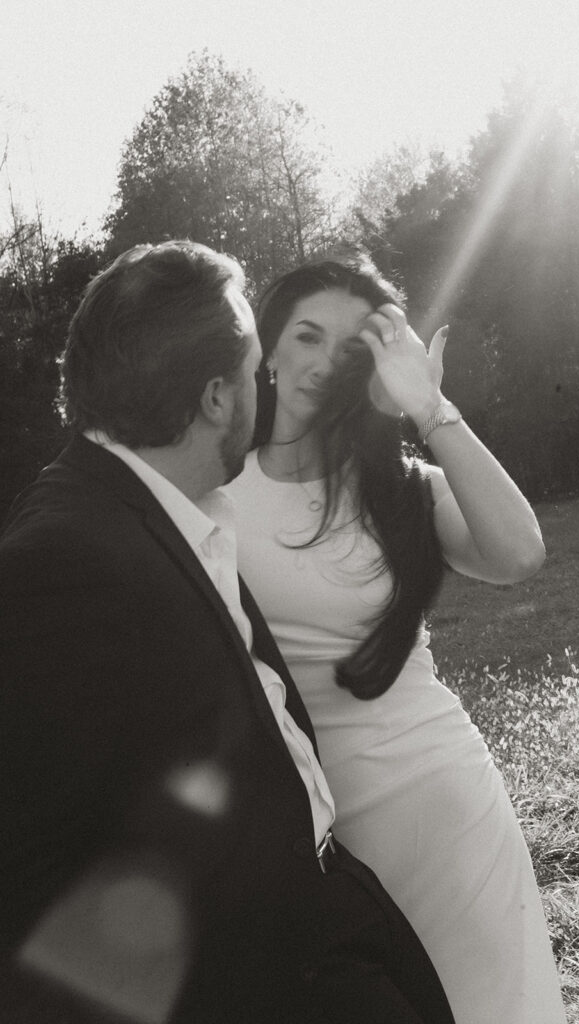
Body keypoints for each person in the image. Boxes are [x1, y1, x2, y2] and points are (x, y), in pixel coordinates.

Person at [0, 241, 456, 1024]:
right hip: (249, 977)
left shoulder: (174, 507)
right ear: (216, 398)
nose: (264, 384)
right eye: (251, 370)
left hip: (322, 920)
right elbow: (29, 871)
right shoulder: (58, 560)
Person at [222, 254, 568, 1024]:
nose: (323, 363)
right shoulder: (209, 494)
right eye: (306, 336)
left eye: (351, 348)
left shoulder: (402, 488)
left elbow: (518, 554)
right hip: (302, 826)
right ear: (268, 346)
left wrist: (429, 406)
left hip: (441, 805)